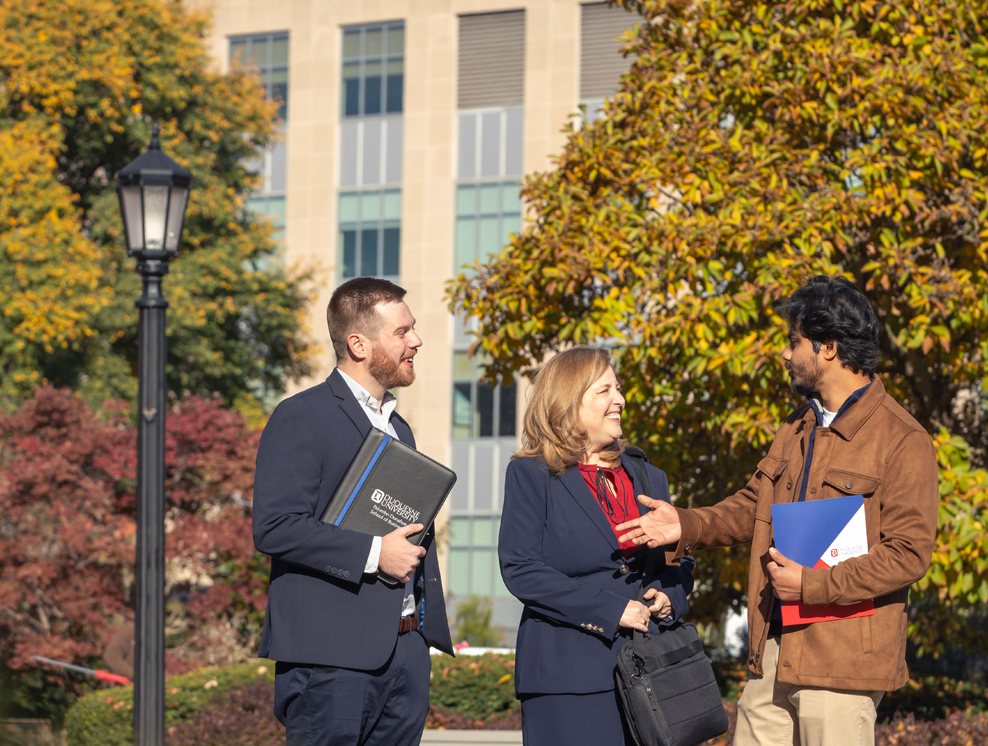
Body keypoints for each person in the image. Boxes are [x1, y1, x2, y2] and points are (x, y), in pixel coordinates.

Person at [616, 276, 939, 746]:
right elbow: (753, 507)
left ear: (828, 347)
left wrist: (813, 584)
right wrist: (684, 524)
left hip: (844, 665)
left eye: (794, 342)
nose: (786, 355)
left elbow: (909, 554)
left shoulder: (904, 440)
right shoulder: (795, 427)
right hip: (774, 651)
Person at [252, 277, 454, 746]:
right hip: (331, 662)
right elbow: (275, 527)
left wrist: (419, 644)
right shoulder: (300, 415)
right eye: (402, 331)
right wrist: (373, 553)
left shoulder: (399, 427)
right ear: (358, 343)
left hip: (405, 653)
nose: (416, 341)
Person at [498, 346, 694, 745]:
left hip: (650, 673)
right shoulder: (531, 473)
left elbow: (680, 558)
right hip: (566, 679)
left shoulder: (648, 475)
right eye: (605, 390)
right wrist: (611, 610)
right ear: (568, 401)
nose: (620, 400)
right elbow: (521, 569)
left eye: (618, 389)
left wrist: (671, 593)